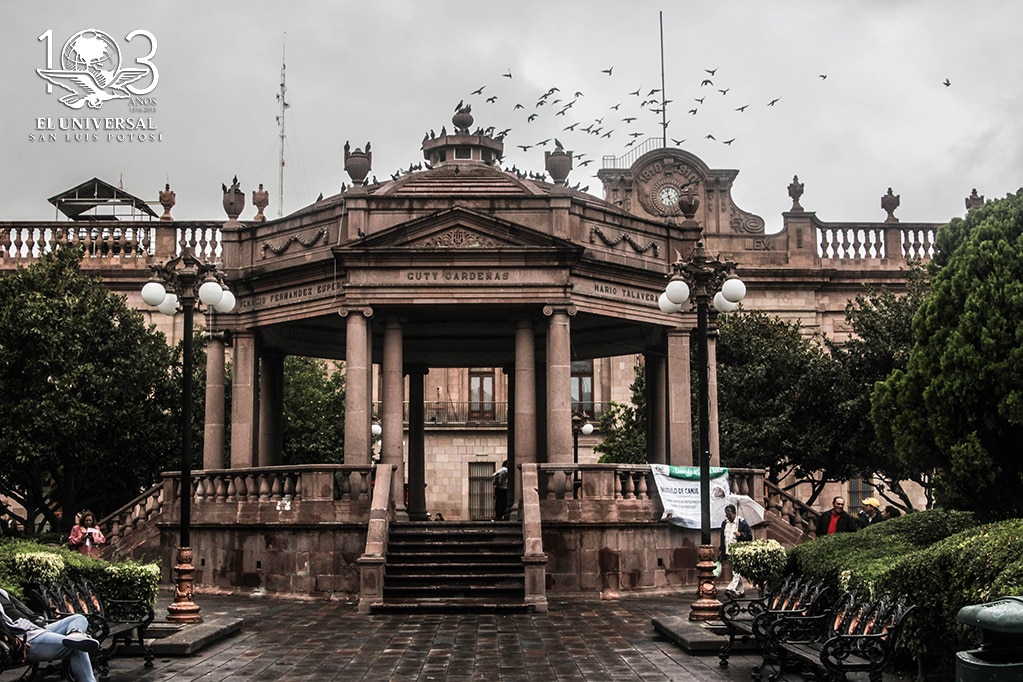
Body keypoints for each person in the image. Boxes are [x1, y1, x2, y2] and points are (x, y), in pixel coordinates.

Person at [0, 587, 99, 682]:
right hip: (26, 637)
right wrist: (13, 641)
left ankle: (75, 633)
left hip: (36, 628)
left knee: (78, 618)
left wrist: (39, 621)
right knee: (76, 646)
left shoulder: (2, 593)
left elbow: (25, 611)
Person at [720, 504, 753, 597]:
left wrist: (741, 534)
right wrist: (722, 550)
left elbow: (749, 536)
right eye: (726, 514)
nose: (728, 516)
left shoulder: (741, 523)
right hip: (728, 550)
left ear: (734, 513)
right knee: (733, 571)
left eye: (729, 514)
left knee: (736, 571)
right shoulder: (725, 523)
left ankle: (730, 588)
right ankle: (741, 591)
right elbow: (722, 538)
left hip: (737, 550)